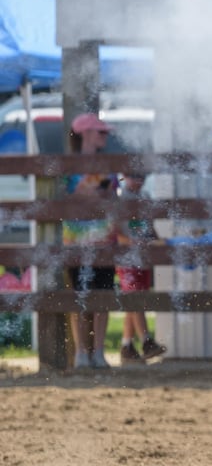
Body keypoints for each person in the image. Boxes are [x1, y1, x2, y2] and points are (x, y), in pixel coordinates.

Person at [62, 113, 119, 370]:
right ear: (84, 134)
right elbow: (67, 198)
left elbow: (111, 199)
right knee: (81, 298)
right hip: (77, 241)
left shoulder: (106, 165)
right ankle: (82, 353)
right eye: (100, 132)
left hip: (104, 239)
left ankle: (97, 352)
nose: (104, 136)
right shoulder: (69, 166)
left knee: (103, 297)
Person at [115, 171, 167, 364]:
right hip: (127, 256)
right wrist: (130, 241)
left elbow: (149, 226)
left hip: (142, 255)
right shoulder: (121, 198)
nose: (139, 180)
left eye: (141, 176)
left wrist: (158, 241)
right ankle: (146, 341)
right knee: (135, 297)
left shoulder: (144, 197)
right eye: (134, 176)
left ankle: (127, 346)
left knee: (136, 299)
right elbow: (117, 230)